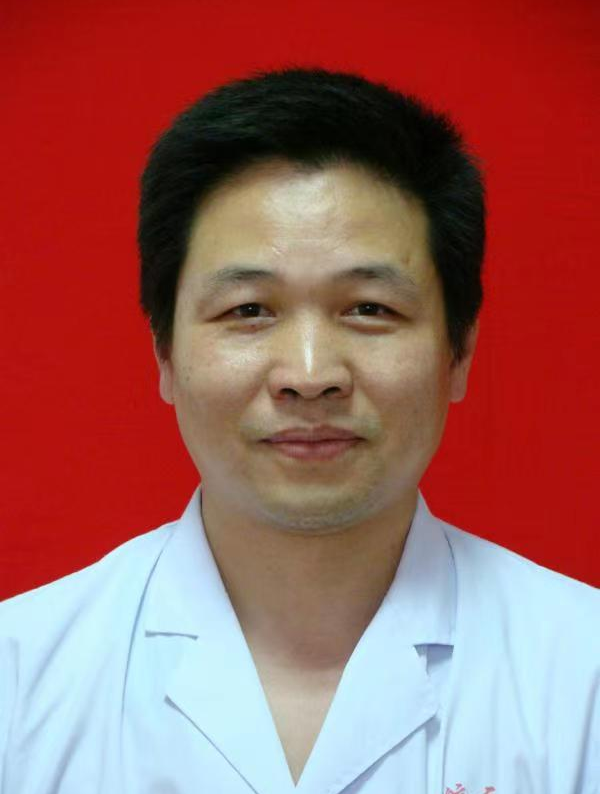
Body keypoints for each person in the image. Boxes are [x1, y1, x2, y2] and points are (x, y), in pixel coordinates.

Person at [0, 66, 598, 794]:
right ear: (165, 354)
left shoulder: (583, 677)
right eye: (248, 310)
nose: (310, 375)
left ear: (459, 353)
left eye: (370, 308)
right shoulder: (19, 681)